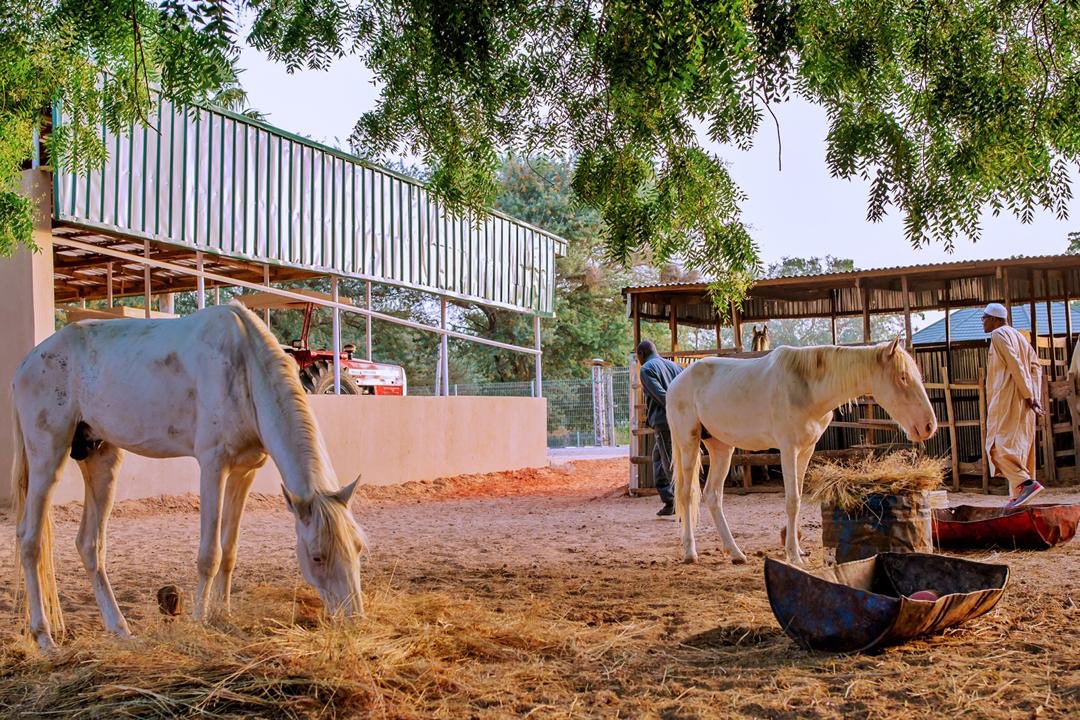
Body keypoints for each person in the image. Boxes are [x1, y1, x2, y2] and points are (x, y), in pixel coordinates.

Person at [982, 302, 1045, 508]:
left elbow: (1015, 364)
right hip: (1025, 402)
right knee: (1019, 449)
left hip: (1008, 400)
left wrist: (1027, 395)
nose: (983, 322)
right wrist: (1033, 397)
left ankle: (1025, 484)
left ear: (994, 319)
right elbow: (1036, 367)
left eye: (984, 318)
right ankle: (1018, 499)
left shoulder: (999, 335)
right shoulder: (1021, 337)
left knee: (997, 448)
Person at [636, 340, 684, 516]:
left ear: (641, 354)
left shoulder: (647, 369)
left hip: (664, 421)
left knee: (669, 461)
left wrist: (677, 410)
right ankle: (669, 500)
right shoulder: (675, 367)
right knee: (658, 457)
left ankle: (681, 503)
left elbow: (662, 396)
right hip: (679, 420)